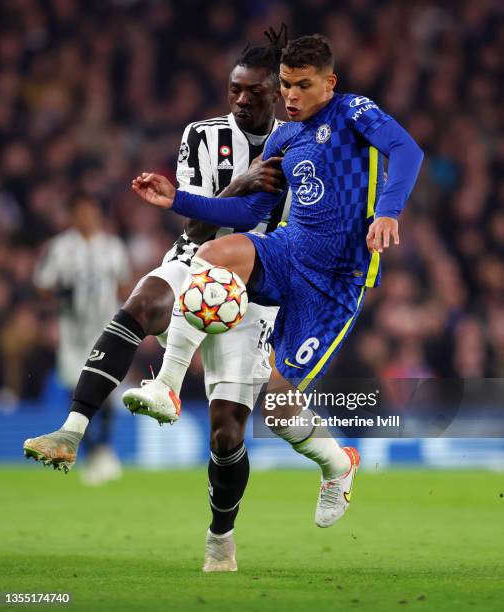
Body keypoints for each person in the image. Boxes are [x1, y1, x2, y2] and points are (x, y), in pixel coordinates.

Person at [130, 33, 424, 565]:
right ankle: (167, 387)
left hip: (335, 280)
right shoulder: (284, 139)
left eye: (303, 85)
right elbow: (248, 214)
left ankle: (337, 464)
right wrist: (179, 199)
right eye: (285, 84)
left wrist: (389, 211)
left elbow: (407, 149)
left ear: (328, 83)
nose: (290, 95)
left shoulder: (355, 111)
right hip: (287, 250)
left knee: (277, 405)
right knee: (215, 253)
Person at [23, 33, 289, 571]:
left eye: (252, 93)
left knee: (227, 432)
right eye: (234, 90)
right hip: (195, 258)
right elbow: (194, 222)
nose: (240, 101)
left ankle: (221, 535)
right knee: (143, 300)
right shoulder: (202, 135)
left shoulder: (299, 143)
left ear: (275, 96)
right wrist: (240, 184)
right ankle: (72, 433)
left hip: (257, 289)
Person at [34, 193, 129, 484]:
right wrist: (61, 294)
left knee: (106, 391)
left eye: (91, 212)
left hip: (105, 331)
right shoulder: (60, 248)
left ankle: (103, 449)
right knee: (77, 393)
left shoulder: (112, 247)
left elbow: (125, 287)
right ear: (73, 216)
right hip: (73, 334)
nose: (86, 217)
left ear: (98, 215)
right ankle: (91, 453)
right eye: (81, 212)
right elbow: (43, 286)